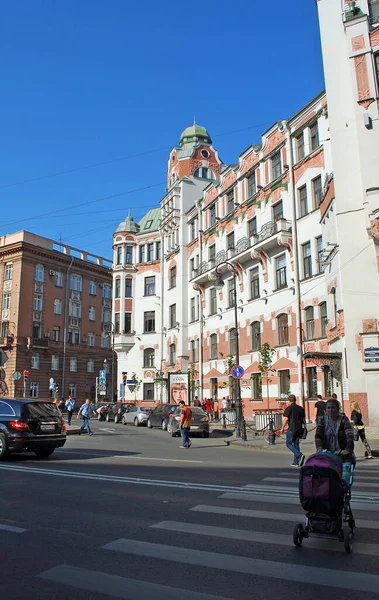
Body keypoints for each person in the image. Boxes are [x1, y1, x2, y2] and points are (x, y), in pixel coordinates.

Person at [281, 394, 306, 468]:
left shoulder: (289, 408)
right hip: (299, 429)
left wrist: (282, 427)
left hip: (292, 428)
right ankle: (296, 462)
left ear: (289, 401)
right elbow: (303, 419)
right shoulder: (301, 408)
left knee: (288, 444)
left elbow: (286, 419)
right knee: (296, 444)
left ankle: (300, 455)